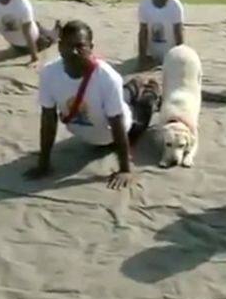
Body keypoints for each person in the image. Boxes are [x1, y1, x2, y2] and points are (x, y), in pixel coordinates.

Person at [26, 20, 160, 190]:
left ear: (91, 47)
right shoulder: (48, 74)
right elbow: (48, 119)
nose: (74, 51)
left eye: (80, 46)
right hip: (94, 126)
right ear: (60, 46)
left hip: (123, 129)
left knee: (144, 106)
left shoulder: (107, 77)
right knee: (118, 97)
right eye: (69, 45)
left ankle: (153, 90)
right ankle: (135, 84)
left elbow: (117, 123)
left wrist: (125, 169)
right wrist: (43, 163)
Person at [137, 0, 185, 71]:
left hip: (170, 54)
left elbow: (178, 31)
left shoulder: (175, 6)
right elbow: (143, 32)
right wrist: (142, 57)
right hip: (152, 55)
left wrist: (180, 55)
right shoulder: (144, 5)